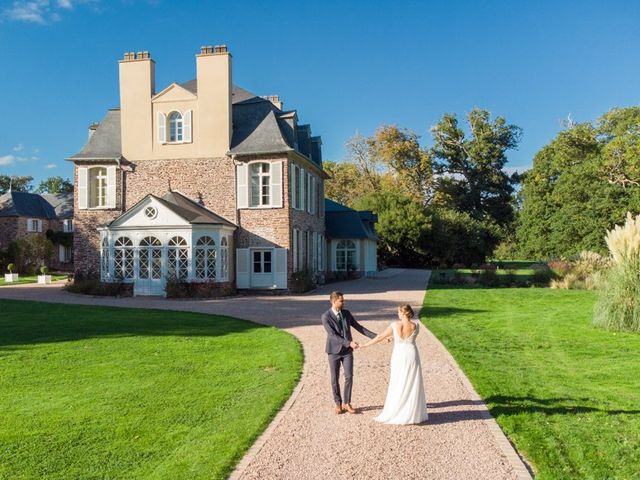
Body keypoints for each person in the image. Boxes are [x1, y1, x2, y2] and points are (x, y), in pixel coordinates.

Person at [360, 304, 428, 424]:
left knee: (397, 381)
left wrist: (366, 345)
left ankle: (396, 410)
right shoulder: (416, 326)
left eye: (398, 312)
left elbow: (380, 336)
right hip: (411, 354)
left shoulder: (394, 325)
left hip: (398, 355)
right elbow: (408, 337)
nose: (397, 314)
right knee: (411, 381)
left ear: (403, 313)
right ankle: (410, 412)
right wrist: (393, 337)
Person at [321, 290, 378, 415]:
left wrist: (378, 337)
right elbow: (332, 335)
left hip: (347, 352)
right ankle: (338, 404)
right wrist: (349, 343)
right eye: (341, 301)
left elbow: (359, 327)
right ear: (333, 301)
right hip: (333, 352)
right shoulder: (326, 316)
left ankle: (347, 403)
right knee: (334, 378)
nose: (343, 302)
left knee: (349, 376)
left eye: (343, 300)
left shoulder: (346, 313)